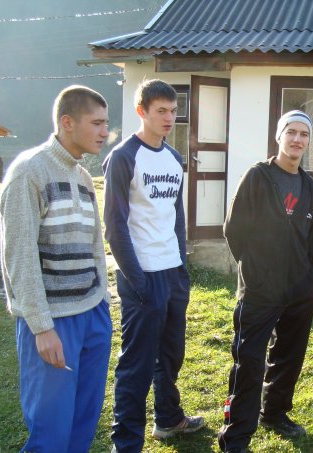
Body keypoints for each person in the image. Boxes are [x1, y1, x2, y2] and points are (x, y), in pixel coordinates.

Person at [0, 85, 113, 452]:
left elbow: (94, 247)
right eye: (96, 123)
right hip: (54, 322)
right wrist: (41, 326)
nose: (104, 132)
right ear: (67, 122)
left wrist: (102, 305)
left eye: (106, 123)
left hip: (92, 315)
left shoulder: (82, 176)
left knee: (83, 425)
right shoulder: (29, 171)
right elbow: (19, 255)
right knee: (51, 434)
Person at [103, 79, 204, 452]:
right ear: (141, 111)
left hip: (172, 272)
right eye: (161, 110)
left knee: (171, 354)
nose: (169, 118)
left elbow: (176, 217)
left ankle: (168, 419)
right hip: (141, 274)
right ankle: (126, 442)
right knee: (137, 363)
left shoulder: (174, 158)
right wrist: (138, 281)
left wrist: (181, 268)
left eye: (174, 111)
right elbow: (114, 227)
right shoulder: (124, 157)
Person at [218, 110, 313, 453]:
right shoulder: (258, 177)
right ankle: (236, 436)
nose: (297, 139)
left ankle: (275, 413)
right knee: (248, 361)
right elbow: (234, 229)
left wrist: (310, 276)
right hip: (260, 290)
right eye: (291, 132)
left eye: (304, 134)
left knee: (288, 357)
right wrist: (254, 271)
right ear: (279, 136)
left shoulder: (309, 186)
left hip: (298, 290)